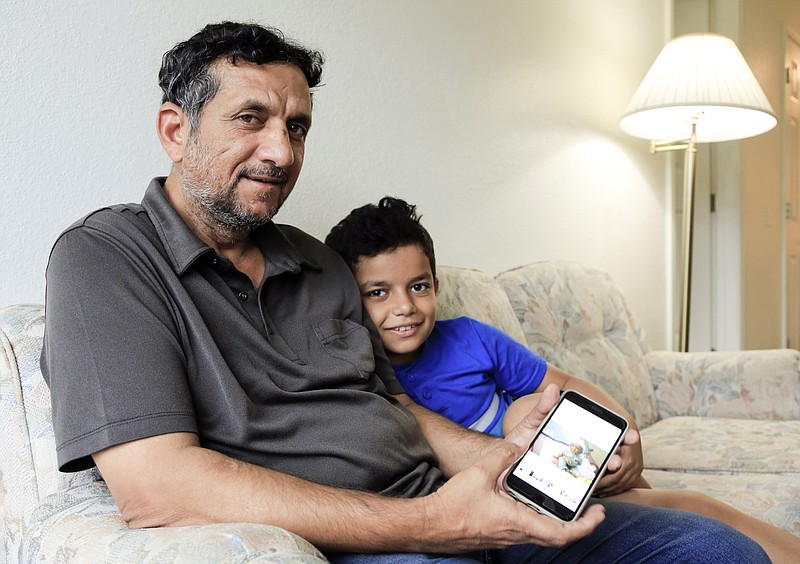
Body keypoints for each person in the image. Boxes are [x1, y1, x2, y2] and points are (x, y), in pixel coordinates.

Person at [40, 21, 771, 563]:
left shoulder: (318, 263)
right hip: (362, 541)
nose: (282, 152)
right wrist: (432, 525)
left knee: (711, 549)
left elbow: (398, 407)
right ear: (176, 128)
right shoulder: (105, 261)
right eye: (251, 119)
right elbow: (155, 488)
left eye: (297, 127)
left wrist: (510, 466)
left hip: (456, 509)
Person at [324, 195, 800, 562]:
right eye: (378, 292)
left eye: (419, 286)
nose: (404, 306)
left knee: (692, 506)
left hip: (562, 472)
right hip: (491, 498)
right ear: (349, 299)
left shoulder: (468, 338)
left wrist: (626, 433)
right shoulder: (358, 374)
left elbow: (563, 381)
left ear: (436, 285)